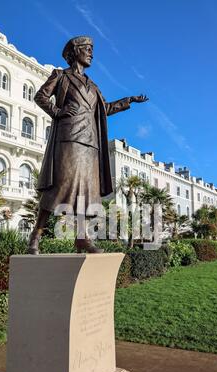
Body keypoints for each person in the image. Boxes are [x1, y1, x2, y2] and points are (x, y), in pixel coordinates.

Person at [28, 36, 148, 254]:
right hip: (69, 140)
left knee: (86, 192)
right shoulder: (61, 76)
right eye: (88, 49)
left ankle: (82, 239)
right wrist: (58, 112)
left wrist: (128, 101)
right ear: (75, 52)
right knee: (59, 187)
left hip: (90, 145)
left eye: (92, 49)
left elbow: (105, 109)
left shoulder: (93, 86)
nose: (92, 53)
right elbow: (41, 97)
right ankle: (35, 237)